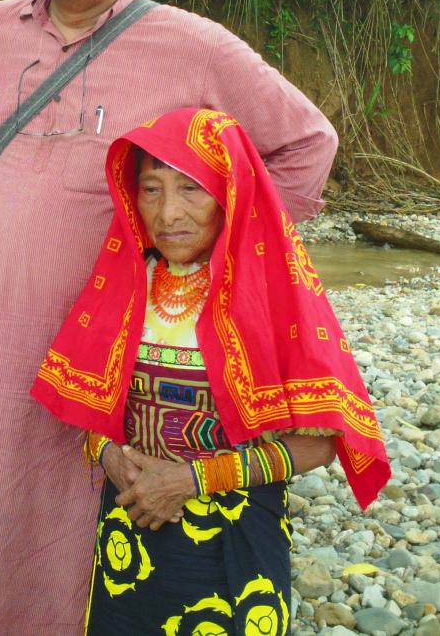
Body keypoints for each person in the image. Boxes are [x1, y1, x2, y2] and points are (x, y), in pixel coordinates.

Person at [0, 0, 340, 634]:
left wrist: (232, 261)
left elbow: (307, 143)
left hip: (123, 351)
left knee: (92, 511)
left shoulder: (193, 46)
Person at [32, 106, 391, 634]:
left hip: (233, 545)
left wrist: (192, 479)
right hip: (128, 533)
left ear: (231, 194)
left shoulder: (272, 296)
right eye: (151, 190)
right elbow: (86, 402)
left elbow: (323, 441)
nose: (168, 212)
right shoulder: (124, 285)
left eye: (191, 189)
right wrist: (107, 453)